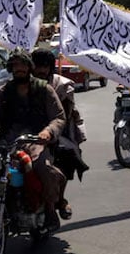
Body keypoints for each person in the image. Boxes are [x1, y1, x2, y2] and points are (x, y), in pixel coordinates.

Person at [0, 49, 67, 232]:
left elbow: (59, 117)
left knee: (44, 169)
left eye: (22, 64)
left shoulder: (44, 89)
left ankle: (50, 210)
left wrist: (48, 132)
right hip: (6, 142)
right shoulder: (3, 91)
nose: (19, 69)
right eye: (15, 65)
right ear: (10, 68)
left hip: (35, 142)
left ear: (29, 67)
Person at [31, 48, 90, 220]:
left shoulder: (62, 85)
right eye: (37, 66)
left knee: (65, 154)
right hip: (26, 131)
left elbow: (62, 116)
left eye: (45, 66)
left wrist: (49, 132)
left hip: (56, 131)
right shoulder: (23, 83)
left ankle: (60, 199)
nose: (41, 70)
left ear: (50, 67)